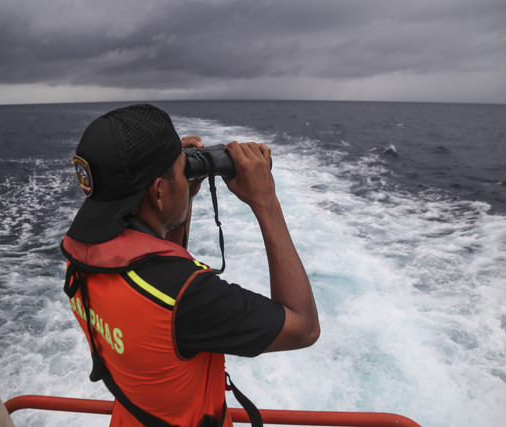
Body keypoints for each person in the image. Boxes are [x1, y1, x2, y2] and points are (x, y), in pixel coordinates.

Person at [61, 104, 319, 427]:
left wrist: (180, 196)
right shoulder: (191, 300)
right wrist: (265, 200)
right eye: (181, 173)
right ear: (158, 192)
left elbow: (153, 268)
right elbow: (304, 327)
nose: (186, 178)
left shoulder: (80, 263)